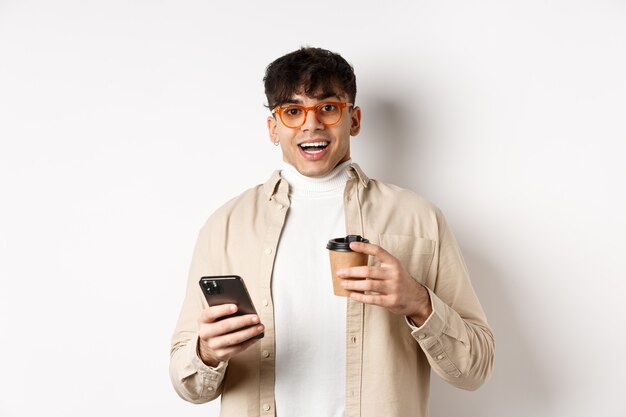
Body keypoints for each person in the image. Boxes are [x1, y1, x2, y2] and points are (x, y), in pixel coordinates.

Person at [170, 47, 495, 417]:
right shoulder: (225, 225)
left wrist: (420, 304)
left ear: (353, 120)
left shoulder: (420, 219)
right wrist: (207, 352)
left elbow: (476, 369)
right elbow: (188, 384)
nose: (311, 125)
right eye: (293, 112)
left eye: (327, 108)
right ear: (273, 128)